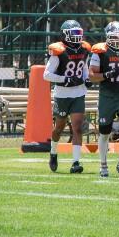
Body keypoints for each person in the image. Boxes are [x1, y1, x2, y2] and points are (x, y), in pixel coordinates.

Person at [89, 21, 119, 178]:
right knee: (104, 133)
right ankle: (103, 166)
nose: (117, 40)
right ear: (107, 37)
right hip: (107, 96)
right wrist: (106, 75)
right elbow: (91, 75)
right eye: (113, 37)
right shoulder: (100, 51)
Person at [43, 20, 92, 174]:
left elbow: (84, 67)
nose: (77, 37)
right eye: (74, 34)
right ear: (65, 35)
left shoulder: (84, 49)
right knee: (59, 128)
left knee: (77, 127)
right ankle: (53, 152)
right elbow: (46, 75)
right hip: (62, 94)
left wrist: (86, 78)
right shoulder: (59, 51)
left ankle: (76, 162)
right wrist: (65, 79)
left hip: (78, 92)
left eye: (79, 33)